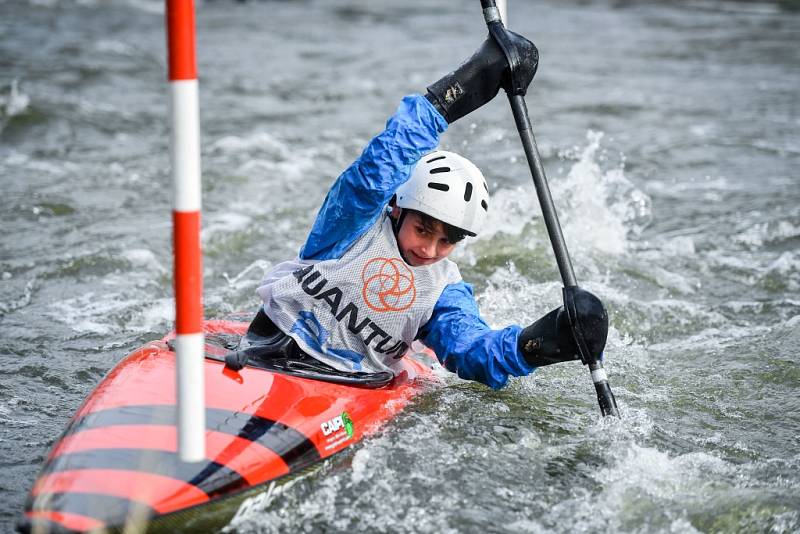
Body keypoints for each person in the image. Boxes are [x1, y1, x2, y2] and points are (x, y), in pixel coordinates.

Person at [228, 32, 608, 389]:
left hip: (351, 384)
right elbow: (380, 164)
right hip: (266, 349)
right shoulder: (353, 223)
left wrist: (538, 344)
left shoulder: (443, 289)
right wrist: (457, 91)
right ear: (398, 209)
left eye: (447, 241)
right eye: (423, 230)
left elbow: (470, 349)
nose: (429, 250)